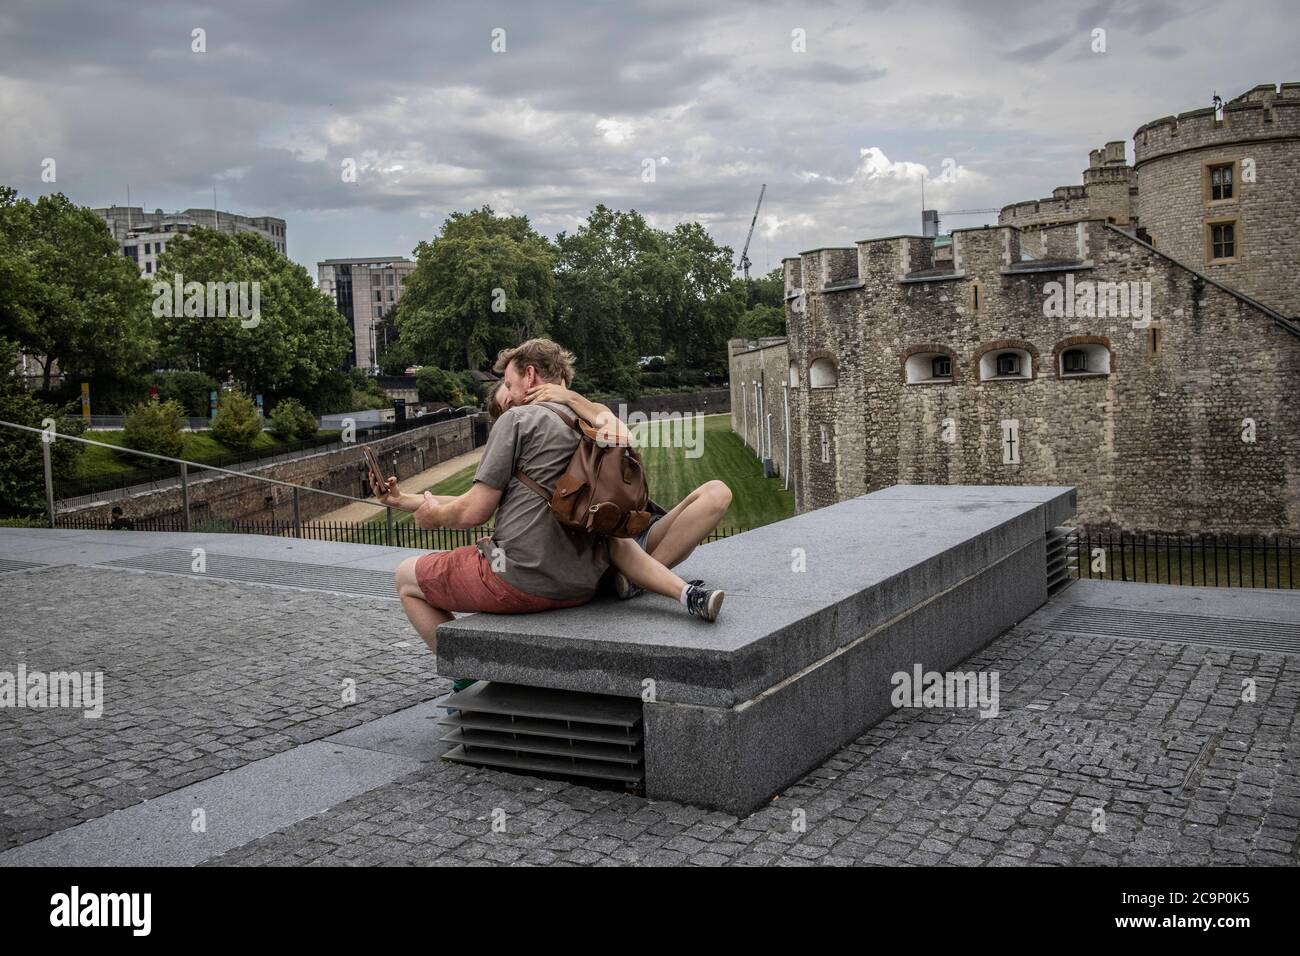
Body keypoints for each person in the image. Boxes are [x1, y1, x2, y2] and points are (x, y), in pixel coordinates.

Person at [387, 339, 724, 664]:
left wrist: (434, 517)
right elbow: (624, 436)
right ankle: (674, 591)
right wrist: (407, 501)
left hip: (523, 579)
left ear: (529, 375)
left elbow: (474, 510)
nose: (509, 396)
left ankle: (468, 672)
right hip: (586, 579)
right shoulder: (591, 418)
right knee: (625, 541)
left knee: (406, 577)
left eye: (508, 382)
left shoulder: (517, 420)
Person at [488, 379, 732, 601]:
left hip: (631, 532)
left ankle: (640, 580)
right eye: (508, 402)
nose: (516, 397)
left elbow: (622, 435)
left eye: (512, 389)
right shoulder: (523, 447)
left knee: (717, 492)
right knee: (621, 545)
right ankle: (649, 578)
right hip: (605, 550)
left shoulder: (579, 412)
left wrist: (570, 397)